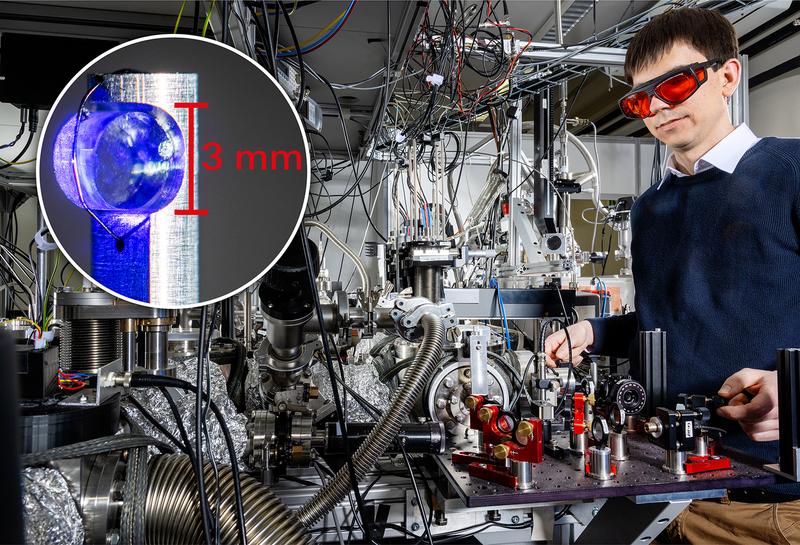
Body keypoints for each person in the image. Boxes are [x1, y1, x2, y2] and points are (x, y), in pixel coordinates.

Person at [543, 7, 800, 544]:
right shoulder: (650, 209)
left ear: (728, 76)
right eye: (640, 99)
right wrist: (597, 332)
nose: (658, 106)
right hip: (668, 489)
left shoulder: (789, 172)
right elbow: (671, 317)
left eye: (676, 83)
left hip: (773, 508)